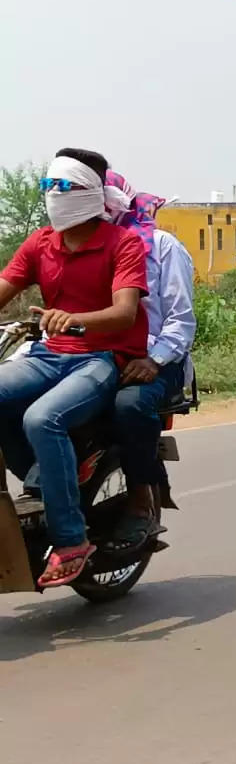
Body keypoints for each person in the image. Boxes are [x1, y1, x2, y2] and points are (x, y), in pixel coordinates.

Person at [0, 149, 148, 587]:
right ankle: (45, 479)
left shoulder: (123, 243)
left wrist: (77, 318)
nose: (53, 196)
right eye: (48, 186)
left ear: (91, 194)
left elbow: (124, 312)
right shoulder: (40, 243)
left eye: (64, 187)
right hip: (48, 356)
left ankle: (71, 541)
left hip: (100, 358)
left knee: (42, 419)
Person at [104, 169, 196, 553]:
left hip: (159, 357)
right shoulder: (77, 249)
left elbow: (181, 319)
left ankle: (141, 500)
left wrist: (154, 359)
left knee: (130, 405)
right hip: (101, 353)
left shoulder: (162, 247)